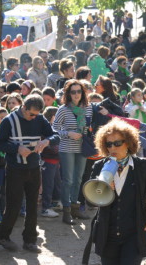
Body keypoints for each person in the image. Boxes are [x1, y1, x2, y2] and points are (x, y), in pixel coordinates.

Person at [87, 118, 146, 265]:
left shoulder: (141, 166)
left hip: (134, 235)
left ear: (128, 143)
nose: (113, 148)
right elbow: (89, 200)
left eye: (117, 143)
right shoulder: (99, 166)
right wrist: (101, 190)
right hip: (107, 235)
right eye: (109, 144)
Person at [0, 94, 59, 252]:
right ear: (23, 107)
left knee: (32, 205)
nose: (33, 118)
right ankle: (2, 236)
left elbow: (55, 135)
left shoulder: (39, 119)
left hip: (34, 167)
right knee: (13, 206)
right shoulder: (9, 120)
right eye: (31, 114)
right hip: (15, 168)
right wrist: (17, 148)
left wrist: (46, 141)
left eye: (37, 115)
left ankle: (30, 240)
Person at [53, 80, 94, 225]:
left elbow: (90, 126)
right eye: (73, 92)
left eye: (79, 91)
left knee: (78, 179)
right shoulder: (63, 109)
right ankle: (66, 211)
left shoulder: (88, 108)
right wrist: (69, 133)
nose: (76, 94)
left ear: (83, 93)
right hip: (67, 147)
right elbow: (54, 129)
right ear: (68, 94)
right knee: (68, 180)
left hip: (82, 147)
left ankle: (75, 207)